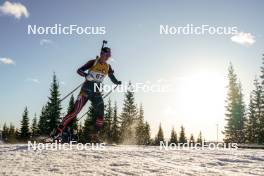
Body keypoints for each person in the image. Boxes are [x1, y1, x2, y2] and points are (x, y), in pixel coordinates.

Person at [52, 46, 121, 140]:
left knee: (101, 111)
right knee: (75, 111)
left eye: (109, 56)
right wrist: (86, 75)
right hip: (86, 90)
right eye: (106, 55)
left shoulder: (108, 67)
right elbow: (79, 70)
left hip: (96, 91)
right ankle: (58, 132)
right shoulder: (93, 62)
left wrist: (117, 82)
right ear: (101, 54)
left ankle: (95, 135)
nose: (107, 57)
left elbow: (112, 77)